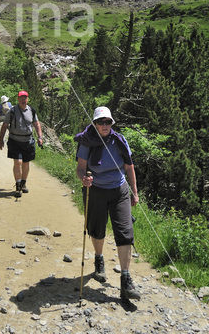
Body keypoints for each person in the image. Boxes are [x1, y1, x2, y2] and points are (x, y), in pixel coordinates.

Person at [75, 106, 141, 301]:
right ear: (95, 124)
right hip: (95, 190)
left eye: (108, 122)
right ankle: (99, 258)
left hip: (119, 191)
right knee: (97, 229)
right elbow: (80, 168)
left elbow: (129, 167)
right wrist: (83, 180)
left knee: (125, 232)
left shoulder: (120, 141)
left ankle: (126, 279)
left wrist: (134, 193)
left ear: (112, 123)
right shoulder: (87, 142)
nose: (105, 125)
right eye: (101, 122)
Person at [0, 90, 43, 198]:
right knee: (18, 162)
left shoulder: (32, 110)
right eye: (21, 98)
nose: (23, 100)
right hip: (14, 141)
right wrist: (1, 139)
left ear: (27, 99)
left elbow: (37, 124)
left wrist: (40, 137)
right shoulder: (12, 111)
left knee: (26, 163)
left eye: (25, 98)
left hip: (28, 141)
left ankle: (23, 183)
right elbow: (4, 125)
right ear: (18, 99)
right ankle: (18, 186)